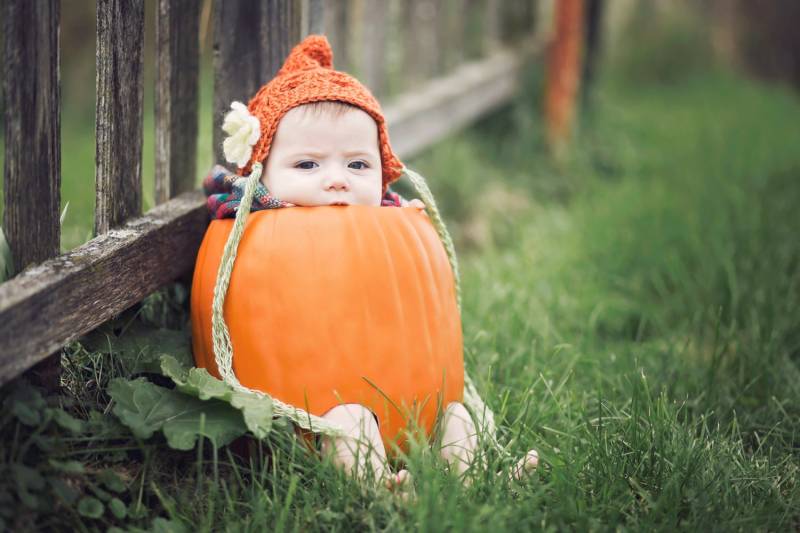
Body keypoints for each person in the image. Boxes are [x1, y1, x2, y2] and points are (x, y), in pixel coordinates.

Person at [205, 35, 537, 493]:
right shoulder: (253, 230)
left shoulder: (399, 222)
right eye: (307, 165)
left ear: (383, 169)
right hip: (314, 410)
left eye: (359, 165)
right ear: (262, 171)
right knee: (350, 422)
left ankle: (473, 480)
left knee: (455, 412)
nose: (337, 180)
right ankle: (378, 490)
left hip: (409, 399)